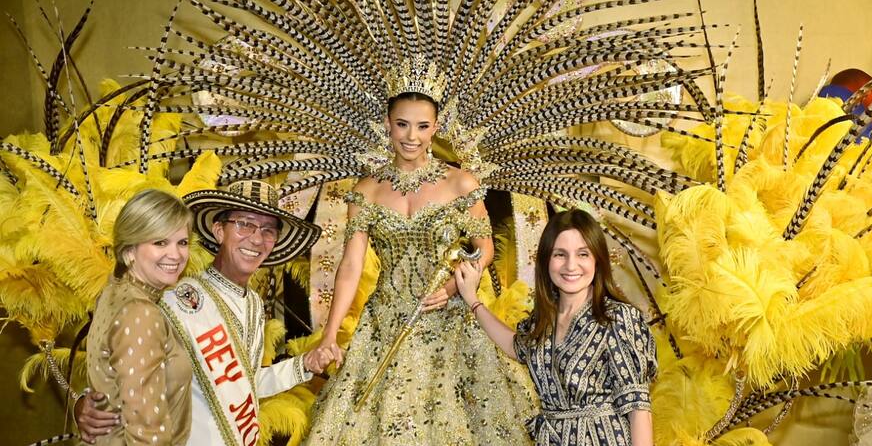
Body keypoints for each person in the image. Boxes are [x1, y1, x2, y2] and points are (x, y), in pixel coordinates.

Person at [303, 86, 535, 444]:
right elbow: (350, 265)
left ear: (436, 127)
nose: (412, 137)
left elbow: (484, 250)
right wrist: (330, 335)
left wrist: (454, 286)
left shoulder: (461, 183)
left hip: (451, 320)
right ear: (387, 125)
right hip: (385, 322)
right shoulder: (365, 191)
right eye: (403, 125)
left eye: (423, 126)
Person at [77, 180, 327, 446]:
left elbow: (244, 384)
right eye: (245, 224)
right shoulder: (173, 296)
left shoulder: (254, 304)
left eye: (268, 230)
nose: (257, 238)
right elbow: (121, 364)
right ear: (219, 231)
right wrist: (85, 402)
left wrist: (304, 366)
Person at [455, 209, 657, 446]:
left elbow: (638, 408)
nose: (571, 265)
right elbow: (515, 345)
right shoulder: (543, 320)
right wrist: (472, 300)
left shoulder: (619, 318)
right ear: (546, 260)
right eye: (560, 254)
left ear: (597, 259)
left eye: (583, 254)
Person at [83, 188, 193, 444]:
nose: (176, 255)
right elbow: (147, 434)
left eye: (182, 242)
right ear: (129, 250)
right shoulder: (140, 313)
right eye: (159, 242)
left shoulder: (114, 291)